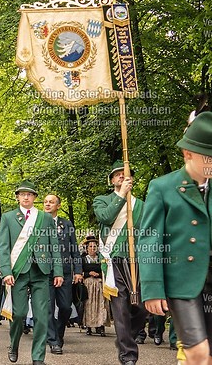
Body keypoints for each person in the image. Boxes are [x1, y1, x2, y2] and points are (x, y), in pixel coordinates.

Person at [138, 111, 212, 365]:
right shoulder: (163, 187)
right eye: (208, 157)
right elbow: (149, 240)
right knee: (198, 352)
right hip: (182, 282)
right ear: (187, 153)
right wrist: (152, 288)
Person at [0, 180, 63, 365]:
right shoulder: (9, 218)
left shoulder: (45, 218)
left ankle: (38, 357)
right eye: (22, 194)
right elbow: (3, 247)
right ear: (18, 196)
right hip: (18, 272)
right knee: (18, 314)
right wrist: (6, 271)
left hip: (40, 272)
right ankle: (14, 344)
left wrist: (58, 271)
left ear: (34, 197)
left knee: (42, 317)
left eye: (30, 194)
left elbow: (54, 247)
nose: (26, 197)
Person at [93, 160, 147, 365]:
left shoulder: (141, 205)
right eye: (117, 174)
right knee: (121, 308)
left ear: (131, 179)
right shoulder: (102, 200)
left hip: (137, 260)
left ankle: (125, 338)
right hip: (114, 260)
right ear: (112, 180)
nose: (121, 177)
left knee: (142, 308)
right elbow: (106, 218)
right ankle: (128, 354)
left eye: (125, 174)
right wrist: (121, 195)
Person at [43, 193, 83, 354]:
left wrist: (78, 270)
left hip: (65, 272)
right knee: (48, 309)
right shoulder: (38, 223)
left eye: (51, 202)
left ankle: (58, 335)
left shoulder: (66, 224)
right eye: (45, 202)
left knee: (66, 307)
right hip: (45, 273)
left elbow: (75, 249)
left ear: (58, 206)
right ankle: (53, 341)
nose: (47, 204)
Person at [81, 236, 107, 337]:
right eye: (90, 246)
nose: (92, 248)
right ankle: (88, 326)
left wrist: (98, 274)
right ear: (87, 248)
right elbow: (80, 272)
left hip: (99, 284)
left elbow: (105, 271)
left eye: (94, 246)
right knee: (89, 304)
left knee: (100, 304)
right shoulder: (83, 259)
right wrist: (89, 273)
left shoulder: (101, 259)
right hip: (88, 285)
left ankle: (100, 326)